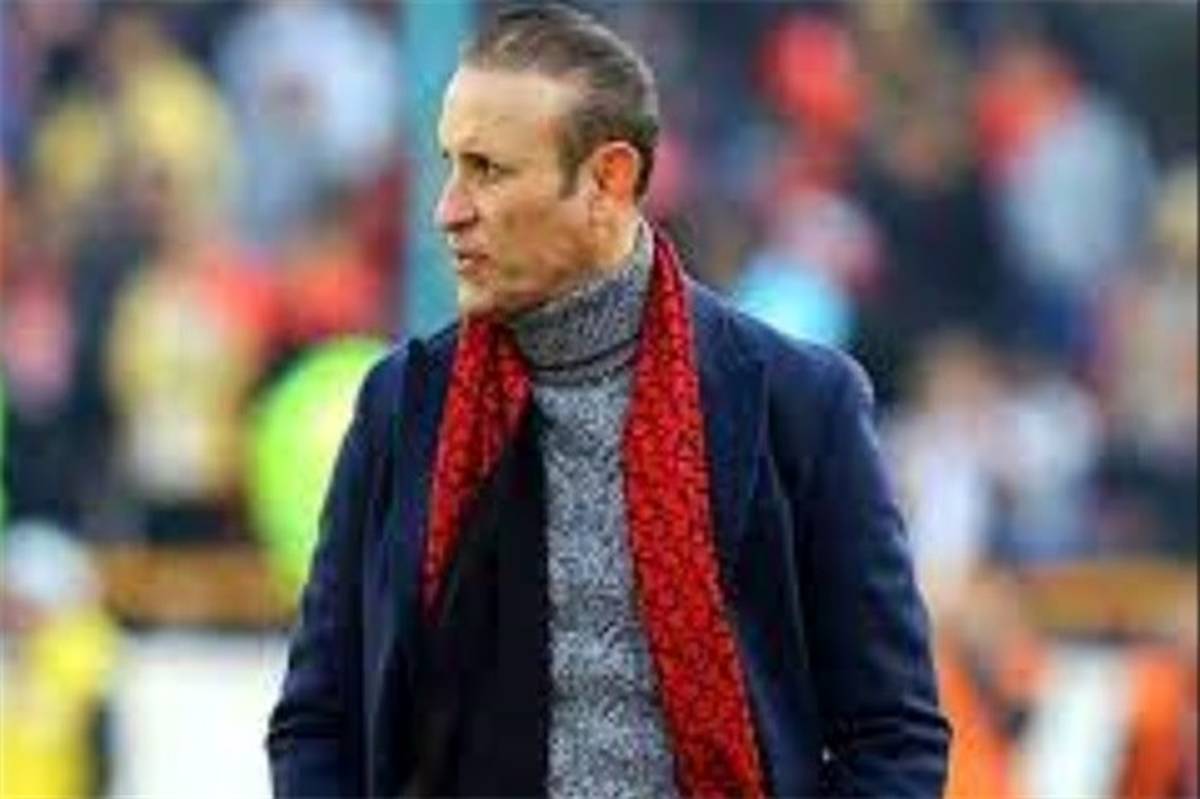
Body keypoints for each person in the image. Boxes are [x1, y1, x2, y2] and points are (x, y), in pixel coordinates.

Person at [267, 6, 949, 797]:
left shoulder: (797, 404)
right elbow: (318, 719)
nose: (448, 208)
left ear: (608, 180)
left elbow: (893, 734)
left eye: (488, 170)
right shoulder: (403, 405)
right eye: (450, 164)